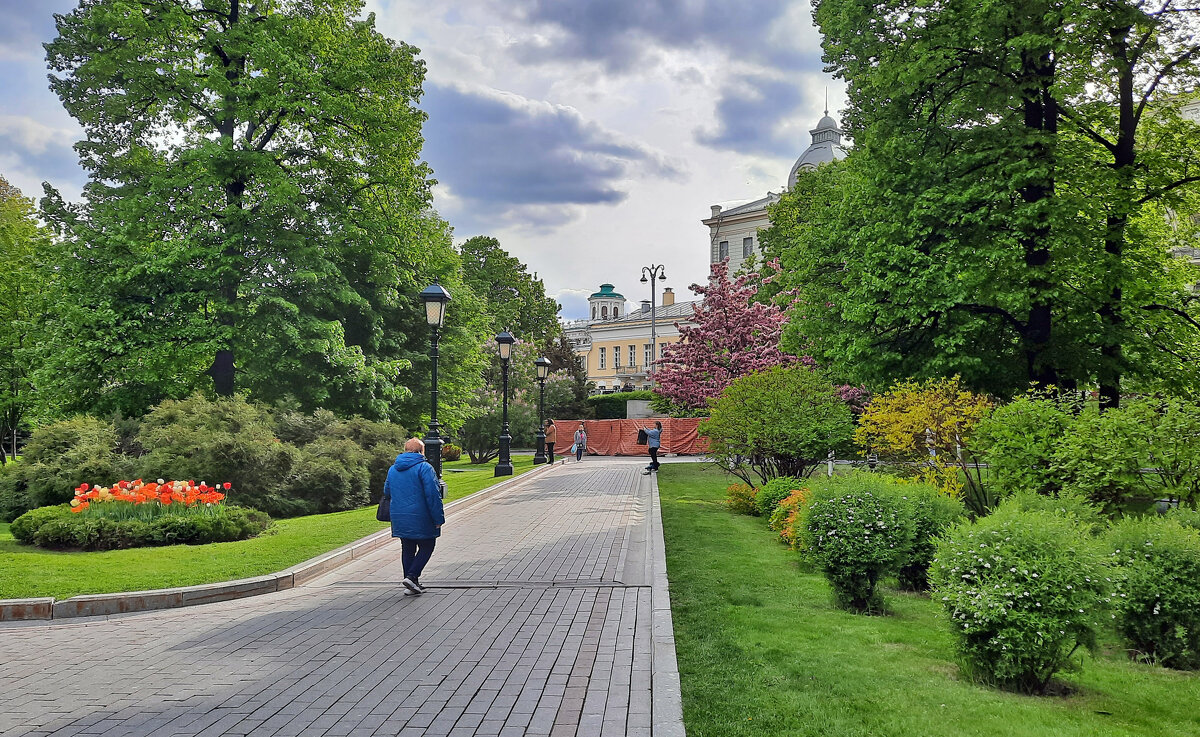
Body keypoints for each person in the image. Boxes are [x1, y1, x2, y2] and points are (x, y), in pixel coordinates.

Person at [387, 437, 444, 595]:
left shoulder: (393, 469)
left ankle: (411, 583)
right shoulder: (424, 468)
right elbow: (432, 495)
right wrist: (438, 518)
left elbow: (387, 491)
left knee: (407, 548)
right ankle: (412, 576)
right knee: (427, 546)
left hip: (400, 516)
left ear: (405, 450)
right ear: (421, 451)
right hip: (421, 516)